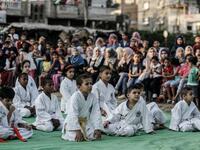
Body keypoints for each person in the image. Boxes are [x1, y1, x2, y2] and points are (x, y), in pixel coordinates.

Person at [62, 74, 102, 142]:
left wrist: (97, 128)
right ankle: (70, 130)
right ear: (79, 86)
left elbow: (96, 113)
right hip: (73, 123)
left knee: (94, 136)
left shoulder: (93, 96)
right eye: (87, 84)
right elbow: (73, 113)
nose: (90, 86)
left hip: (85, 122)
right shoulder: (75, 97)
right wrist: (77, 130)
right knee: (76, 137)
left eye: (91, 83)